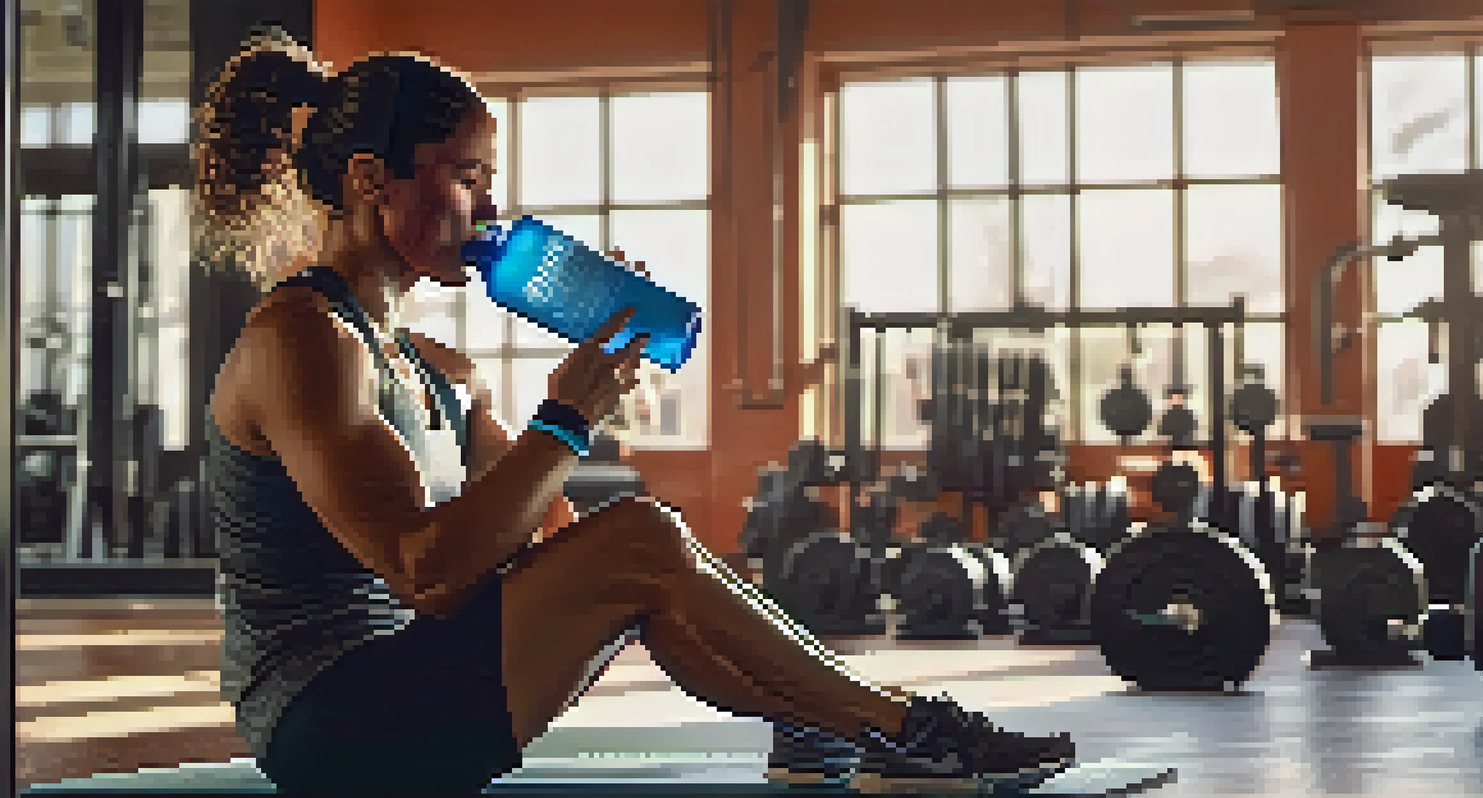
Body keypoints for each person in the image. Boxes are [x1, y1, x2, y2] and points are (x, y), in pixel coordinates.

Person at [195, 28, 1076, 796]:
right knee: (641, 539)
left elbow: (553, 544)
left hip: (415, 686)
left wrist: (599, 369)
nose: (491, 209)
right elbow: (425, 572)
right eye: (466, 178)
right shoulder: (301, 340)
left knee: (642, 550)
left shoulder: (438, 370)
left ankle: (832, 725)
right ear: (369, 179)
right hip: (333, 724)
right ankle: (901, 729)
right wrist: (565, 421)